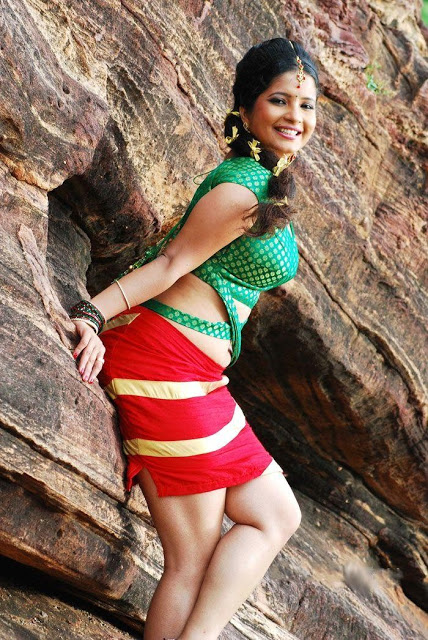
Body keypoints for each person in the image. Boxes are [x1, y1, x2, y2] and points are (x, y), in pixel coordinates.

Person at [69, 37, 319, 640]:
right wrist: (92, 314)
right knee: (192, 557)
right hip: (164, 366)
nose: (295, 115)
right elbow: (171, 262)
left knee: (275, 514)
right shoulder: (241, 190)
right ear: (247, 108)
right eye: (279, 100)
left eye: (306, 104)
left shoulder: (263, 180)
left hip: (199, 376)